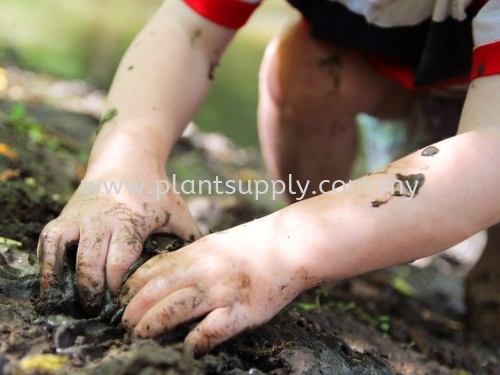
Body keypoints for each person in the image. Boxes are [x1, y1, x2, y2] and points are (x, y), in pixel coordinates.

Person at [38, 0, 500, 353]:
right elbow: (190, 27)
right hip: (392, 67)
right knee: (308, 63)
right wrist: (122, 166)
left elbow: (489, 150)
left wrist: (281, 247)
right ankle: (339, 257)